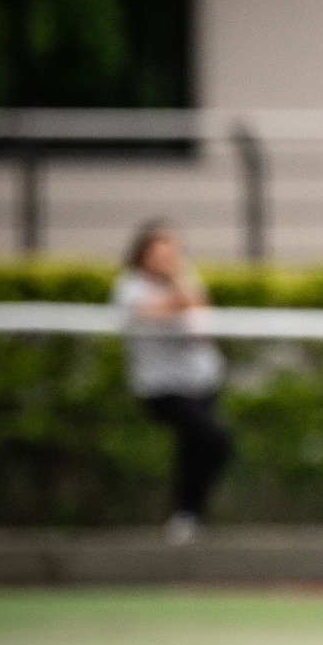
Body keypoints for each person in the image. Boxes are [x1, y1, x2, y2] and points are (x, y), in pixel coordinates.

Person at [112, 220, 233, 544]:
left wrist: (178, 285)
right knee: (211, 438)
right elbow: (153, 312)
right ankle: (188, 513)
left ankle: (190, 515)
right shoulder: (130, 285)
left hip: (201, 381)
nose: (168, 259)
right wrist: (177, 300)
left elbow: (202, 316)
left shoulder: (186, 278)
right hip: (161, 387)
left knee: (198, 449)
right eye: (160, 252)